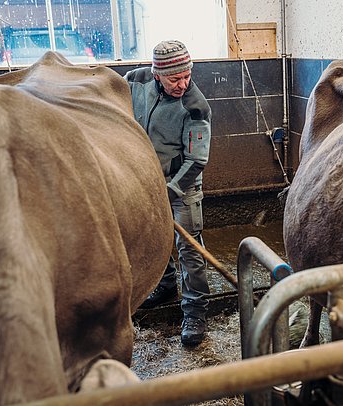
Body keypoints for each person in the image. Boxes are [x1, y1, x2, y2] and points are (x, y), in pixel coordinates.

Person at [124, 40, 211, 346]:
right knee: (152, 240)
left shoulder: (195, 105)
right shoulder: (135, 81)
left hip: (181, 184)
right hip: (145, 182)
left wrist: (171, 191)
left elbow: (197, 159)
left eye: (187, 75)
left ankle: (195, 312)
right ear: (157, 73)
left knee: (189, 248)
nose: (183, 83)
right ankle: (164, 286)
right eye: (175, 78)